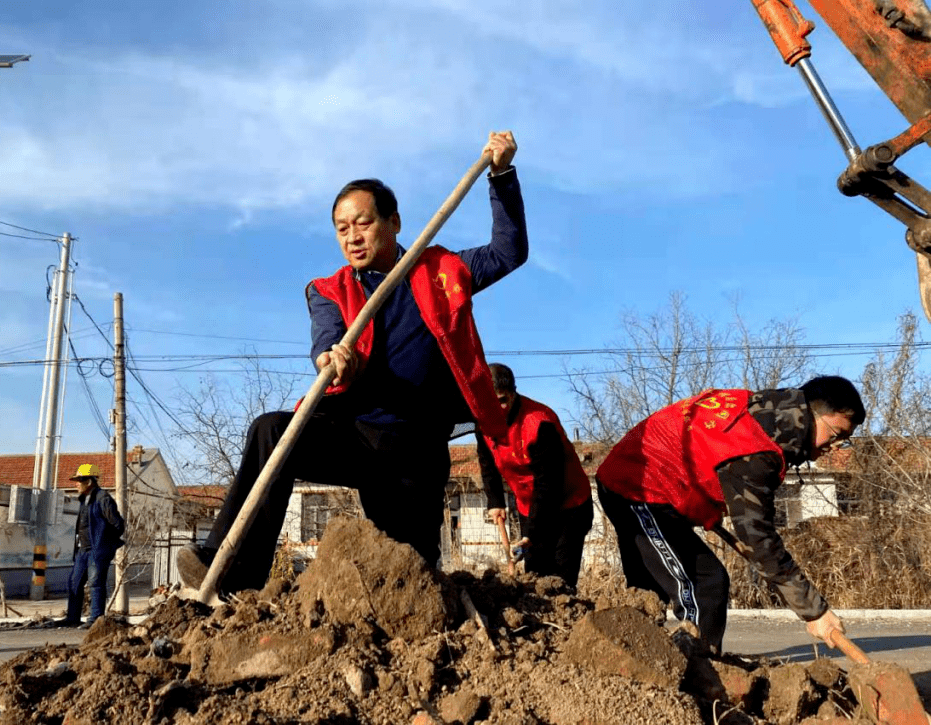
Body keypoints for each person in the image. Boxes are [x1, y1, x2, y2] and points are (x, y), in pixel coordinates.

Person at [177, 131, 528, 592]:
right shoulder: (330, 289)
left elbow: (509, 251)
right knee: (271, 429)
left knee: (412, 575)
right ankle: (232, 572)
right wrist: (333, 357)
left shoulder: (443, 272)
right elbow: (327, 337)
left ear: (395, 222)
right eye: (342, 229)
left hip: (416, 450)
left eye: (362, 223)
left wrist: (501, 175)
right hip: (355, 437)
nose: (352, 236)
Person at [595, 376, 865, 653]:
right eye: (835, 435)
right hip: (636, 486)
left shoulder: (761, 411)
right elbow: (759, 540)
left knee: (648, 591)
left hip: (636, 481)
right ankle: (699, 673)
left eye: (844, 440)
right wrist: (814, 611)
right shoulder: (755, 447)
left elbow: (703, 453)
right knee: (706, 584)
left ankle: (633, 661)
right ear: (812, 413)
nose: (835, 447)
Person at [476, 363, 593, 589]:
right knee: (535, 573)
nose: (498, 409)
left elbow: (548, 484)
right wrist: (495, 502)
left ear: (513, 394)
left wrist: (531, 533)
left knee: (560, 578)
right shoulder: (483, 421)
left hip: (568, 504)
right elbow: (487, 461)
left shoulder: (539, 424)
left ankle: (567, 617)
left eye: (502, 401)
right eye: (492, 402)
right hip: (528, 504)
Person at [58, 464, 125, 628]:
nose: (76, 484)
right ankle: (72, 618)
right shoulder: (84, 500)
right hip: (83, 550)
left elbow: (118, 525)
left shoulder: (103, 499)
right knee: (74, 582)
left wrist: (105, 544)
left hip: (98, 549)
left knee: (95, 583)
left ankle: (95, 620)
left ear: (88, 481)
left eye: (78, 481)